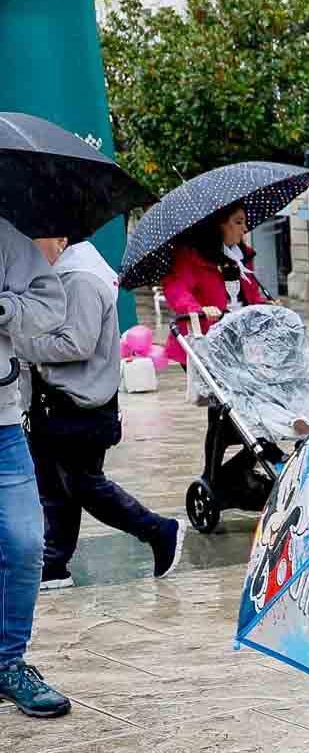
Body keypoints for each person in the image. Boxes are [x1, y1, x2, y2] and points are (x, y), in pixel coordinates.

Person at [16, 235, 182, 589]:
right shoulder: (57, 277)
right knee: (55, 488)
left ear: (60, 240)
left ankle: (158, 530)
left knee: (84, 485)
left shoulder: (80, 280)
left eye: (35, 240)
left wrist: (22, 344)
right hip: (53, 402)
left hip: (78, 403)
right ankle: (54, 563)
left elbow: (76, 343)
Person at [0, 216, 72, 719]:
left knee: (26, 544)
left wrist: (3, 306)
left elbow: (50, 305)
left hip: (3, 426)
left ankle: (8, 662)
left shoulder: (6, 237)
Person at [161, 202, 267, 368]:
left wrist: (268, 307)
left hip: (242, 340)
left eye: (244, 223)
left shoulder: (243, 256)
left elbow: (251, 296)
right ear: (219, 225)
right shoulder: (190, 255)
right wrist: (197, 309)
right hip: (203, 340)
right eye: (238, 222)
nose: (244, 229)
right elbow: (176, 288)